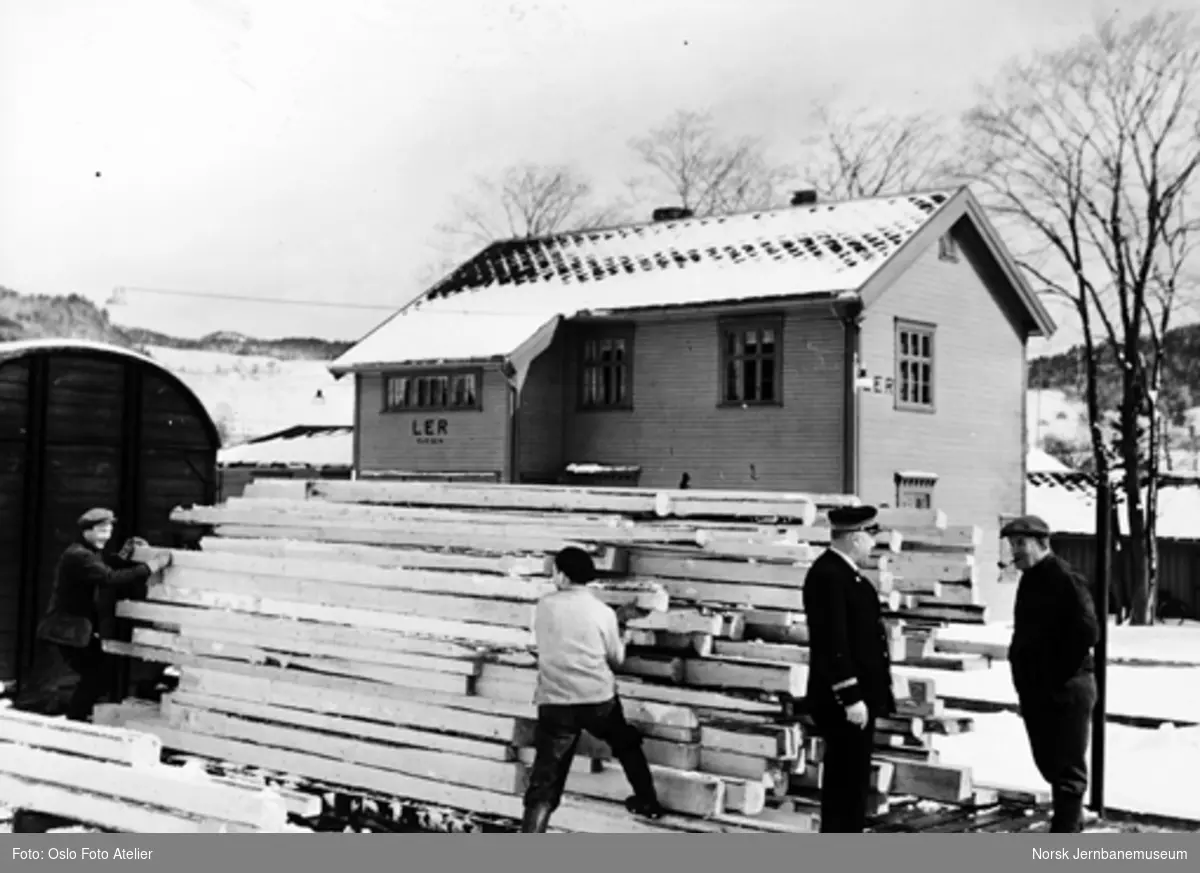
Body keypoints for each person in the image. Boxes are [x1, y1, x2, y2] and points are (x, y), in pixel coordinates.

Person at [520, 546, 665, 832]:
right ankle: (647, 801)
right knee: (626, 743)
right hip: (598, 701)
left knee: (545, 781)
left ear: (561, 575)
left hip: (556, 701)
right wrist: (619, 622)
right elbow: (616, 660)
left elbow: (543, 645)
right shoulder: (602, 612)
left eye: (554, 572)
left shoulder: (544, 606)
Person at [1003, 515, 1100, 834]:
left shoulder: (1063, 577)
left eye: (1020, 543)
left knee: (1067, 768)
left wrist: (1055, 673)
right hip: (1038, 689)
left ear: (1041, 543)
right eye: (1011, 544)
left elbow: (1087, 631)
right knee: (1048, 761)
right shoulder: (1030, 578)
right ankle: (1071, 821)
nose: (1014, 551)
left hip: (1065, 687)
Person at [802, 505, 895, 833]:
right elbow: (833, 643)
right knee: (845, 785)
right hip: (844, 701)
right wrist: (851, 695)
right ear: (856, 538)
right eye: (871, 537)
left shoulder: (844, 574)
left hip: (857, 698)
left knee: (852, 783)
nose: (873, 545)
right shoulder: (829, 576)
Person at [37, 508, 171, 722]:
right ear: (86, 531)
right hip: (68, 630)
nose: (106, 536)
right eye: (101, 531)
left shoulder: (87, 552)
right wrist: (151, 566)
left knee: (98, 674)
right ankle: (75, 719)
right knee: (97, 675)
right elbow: (109, 577)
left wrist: (126, 554)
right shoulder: (78, 556)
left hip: (76, 629)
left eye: (108, 531)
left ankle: (77, 717)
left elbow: (108, 564)